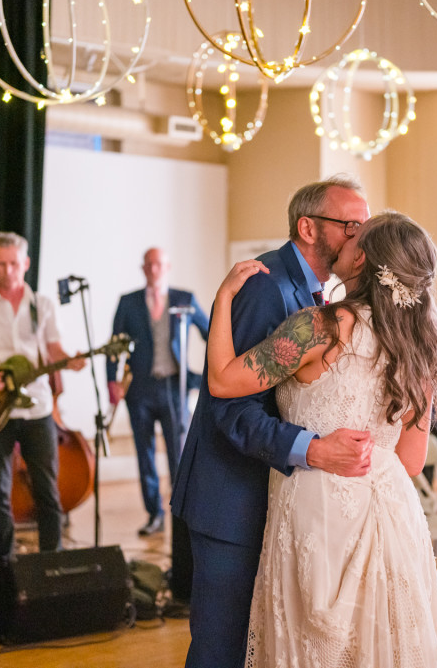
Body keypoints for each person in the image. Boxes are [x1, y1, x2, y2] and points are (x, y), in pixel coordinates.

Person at [207, 211, 437, 666]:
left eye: (357, 235)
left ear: (362, 261)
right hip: (393, 512)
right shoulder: (423, 344)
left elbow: (222, 381)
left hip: (318, 510)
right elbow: (412, 462)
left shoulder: (319, 327)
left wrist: (223, 298)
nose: (347, 237)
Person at [171, 175, 374, 668]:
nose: (359, 236)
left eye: (364, 226)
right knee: (221, 648)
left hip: (274, 498)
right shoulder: (267, 288)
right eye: (350, 225)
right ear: (308, 226)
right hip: (230, 498)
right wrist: (314, 447)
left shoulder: (313, 293)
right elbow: (231, 408)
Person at [0, 232, 84, 565]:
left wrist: (72, 359)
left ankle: (51, 561)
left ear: (26, 264)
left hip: (37, 407)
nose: (8, 271)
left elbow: (53, 350)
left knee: (48, 491)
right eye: (1, 264)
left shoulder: (43, 305)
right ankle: (4, 562)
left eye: (14, 264)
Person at [107, 247, 209, 537]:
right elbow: (113, 345)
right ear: (143, 268)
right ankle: (154, 514)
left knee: (178, 455)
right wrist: (111, 382)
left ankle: (181, 515)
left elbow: (211, 333)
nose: (154, 269)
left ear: (168, 267)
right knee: (145, 455)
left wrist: (204, 377)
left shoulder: (184, 300)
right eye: (149, 264)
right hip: (139, 389)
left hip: (173, 388)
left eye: (159, 264)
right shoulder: (128, 303)